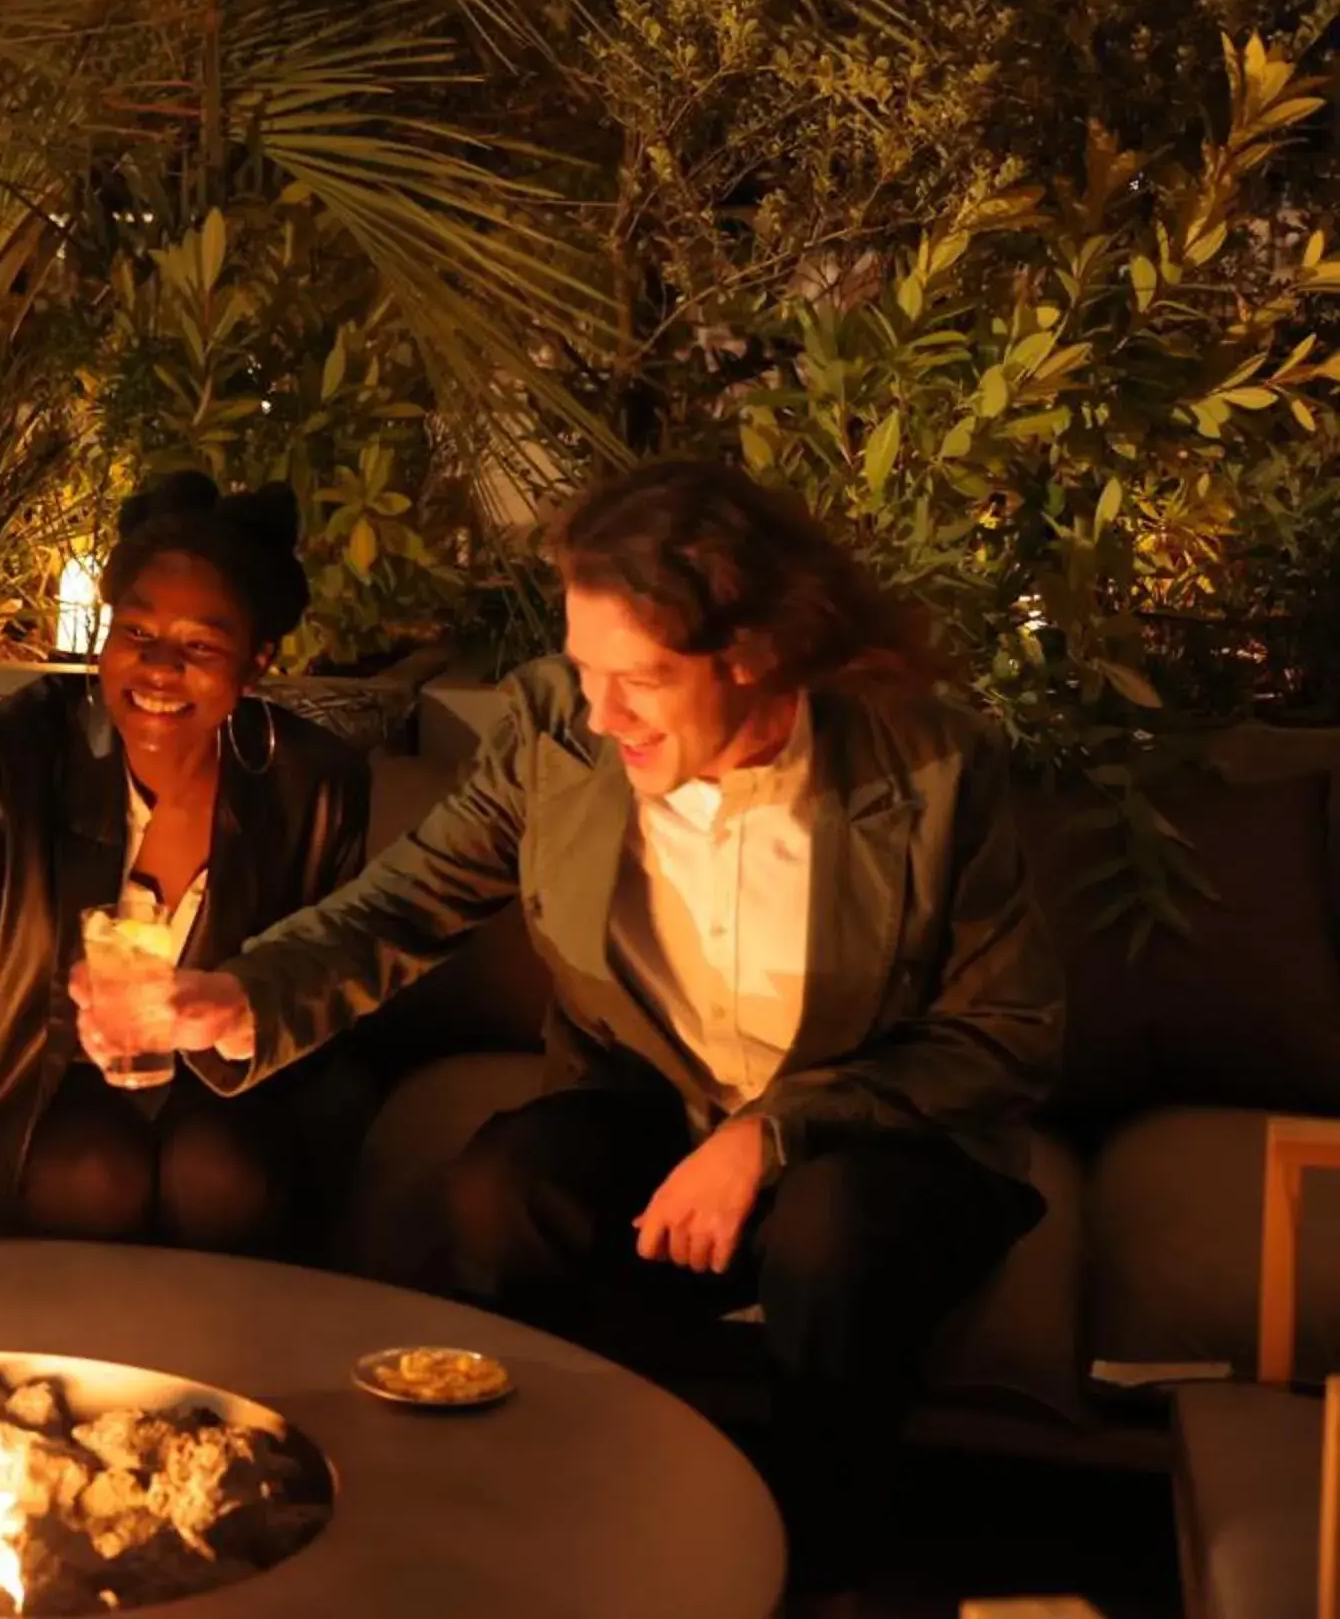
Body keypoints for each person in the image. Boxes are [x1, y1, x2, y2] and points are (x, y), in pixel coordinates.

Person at [79, 459, 1061, 1605]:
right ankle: (552, 1536)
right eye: (586, 672)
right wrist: (240, 993)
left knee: (830, 1233)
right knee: (510, 1183)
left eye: (635, 680)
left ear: (751, 656)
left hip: (882, 1146)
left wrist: (772, 1135)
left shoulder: (930, 766)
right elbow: (404, 901)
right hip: (662, 1108)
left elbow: (1002, 1036)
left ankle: (808, 1568)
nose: (600, 715)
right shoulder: (562, 728)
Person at [0, 474, 375, 1254]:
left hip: (227, 1084)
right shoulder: (14, 750)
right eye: (136, 634)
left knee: (221, 1169)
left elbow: (331, 981)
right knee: (91, 1171)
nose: (160, 667)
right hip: (45, 1077)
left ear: (256, 663)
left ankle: (218, 1365)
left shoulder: (315, 785)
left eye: (200, 646)